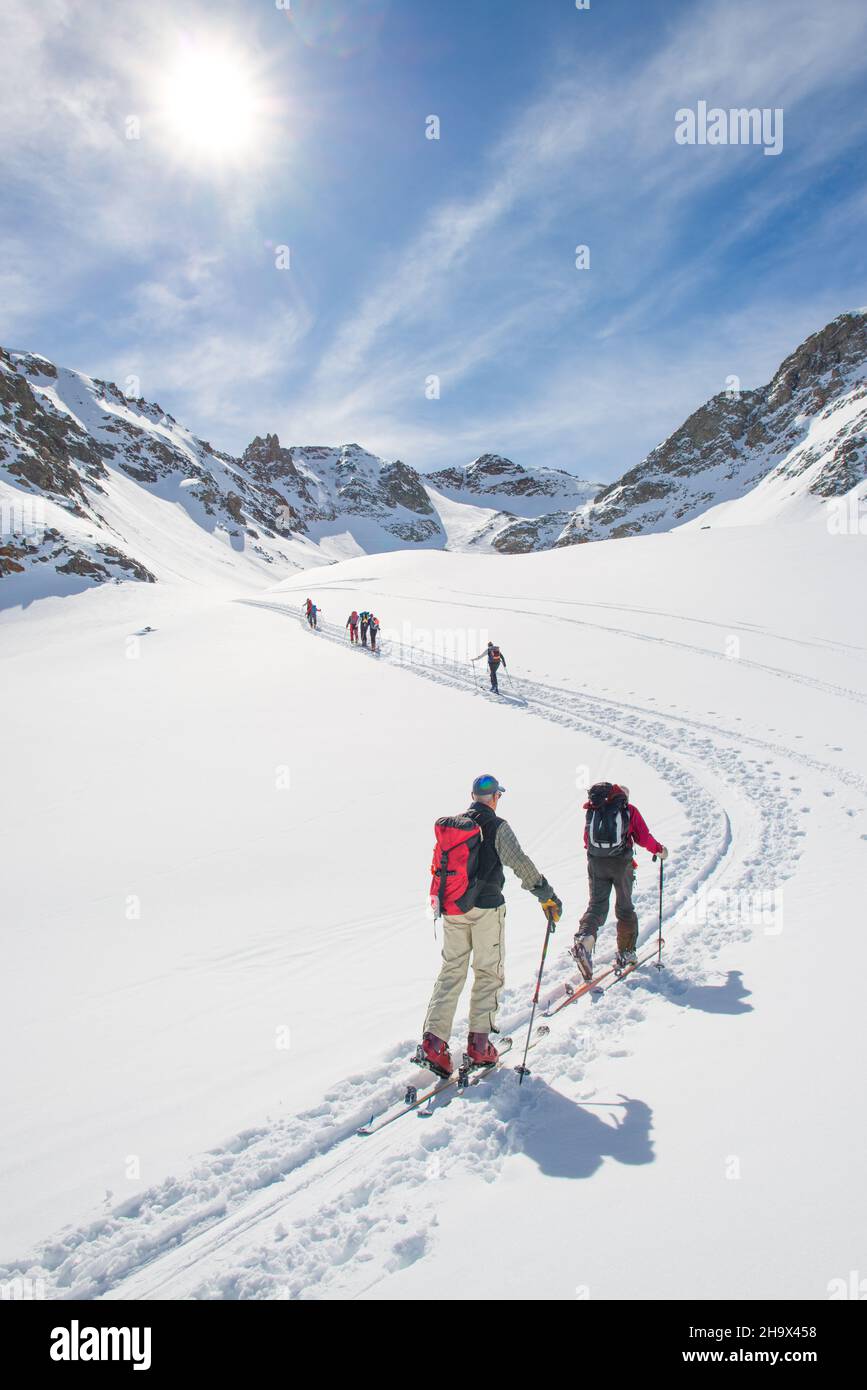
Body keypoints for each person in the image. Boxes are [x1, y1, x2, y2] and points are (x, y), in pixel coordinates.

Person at [420, 773, 562, 1077]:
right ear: (495, 798)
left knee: (451, 971)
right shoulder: (498, 826)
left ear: (473, 797)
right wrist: (545, 895)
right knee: (488, 971)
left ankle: (434, 1043)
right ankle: (479, 1045)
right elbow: (520, 862)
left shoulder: (454, 827)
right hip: (487, 910)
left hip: (453, 909)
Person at [572, 782, 668, 979]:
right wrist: (659, 850)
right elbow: (643, 837)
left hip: (596, 863)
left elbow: (586, 841)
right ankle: (626, 952)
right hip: (621, 864)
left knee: (596, 906)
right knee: (624, 907)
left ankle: (584, 939)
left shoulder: (594, 810)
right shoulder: (628, 810)